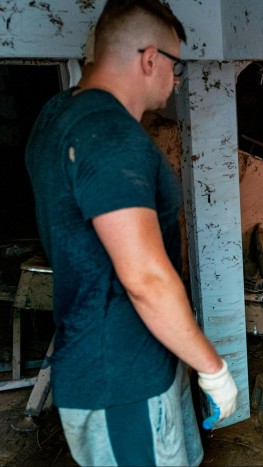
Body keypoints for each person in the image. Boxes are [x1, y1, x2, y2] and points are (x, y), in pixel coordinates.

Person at [24, 1, 238, 465]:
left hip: (135, 359)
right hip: (121, 379)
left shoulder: (58, 114)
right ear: (149, 59)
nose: (176, 78)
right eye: (175, 65)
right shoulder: (110, 136)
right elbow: (145, 278)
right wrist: (213, 368)